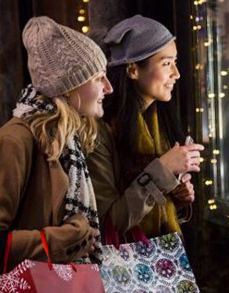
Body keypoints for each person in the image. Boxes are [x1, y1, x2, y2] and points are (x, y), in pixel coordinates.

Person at [0, 16, 113, 283]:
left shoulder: (67, 142)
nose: (108, 88)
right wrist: (68, 238)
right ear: (70, 86)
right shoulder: (14, 142)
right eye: (99, 78)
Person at [86, 15, 204, 238]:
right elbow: (108, 225)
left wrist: (176, 195)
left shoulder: (156, 123)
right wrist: (162, 171)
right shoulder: (99, 132)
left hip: (159, 256)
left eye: (175, 62)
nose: (176, 74)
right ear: (133, 70)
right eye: (166, 63)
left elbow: (152, 209)